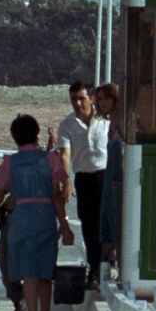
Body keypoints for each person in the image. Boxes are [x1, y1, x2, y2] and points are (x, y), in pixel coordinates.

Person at [0, 114, 74, 311]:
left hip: (20, 219)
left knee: (28, 273)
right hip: (45, 219)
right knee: (44, 272)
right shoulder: (50, 159)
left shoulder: (10, 163)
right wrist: (65, 225)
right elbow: (57, 196)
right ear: (37, 134)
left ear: (14, 137)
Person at [56, 81, 108, 291]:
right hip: (85, 179)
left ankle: (110, 264)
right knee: (89, 224)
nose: (77, 103)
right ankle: (94, 269)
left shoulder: (105, 119)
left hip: (107, 176)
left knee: (108, 222)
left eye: (81, 98)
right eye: (73, 99)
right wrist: (66, 181)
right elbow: (65, 153)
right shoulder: (67, 125)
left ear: (91, 98)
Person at [94, 82, 124, 281]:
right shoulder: (110, 123)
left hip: (120, 176)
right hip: (110, 175)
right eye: (99, 100)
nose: (103, 103)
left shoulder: (123, 122)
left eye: (105, 98)